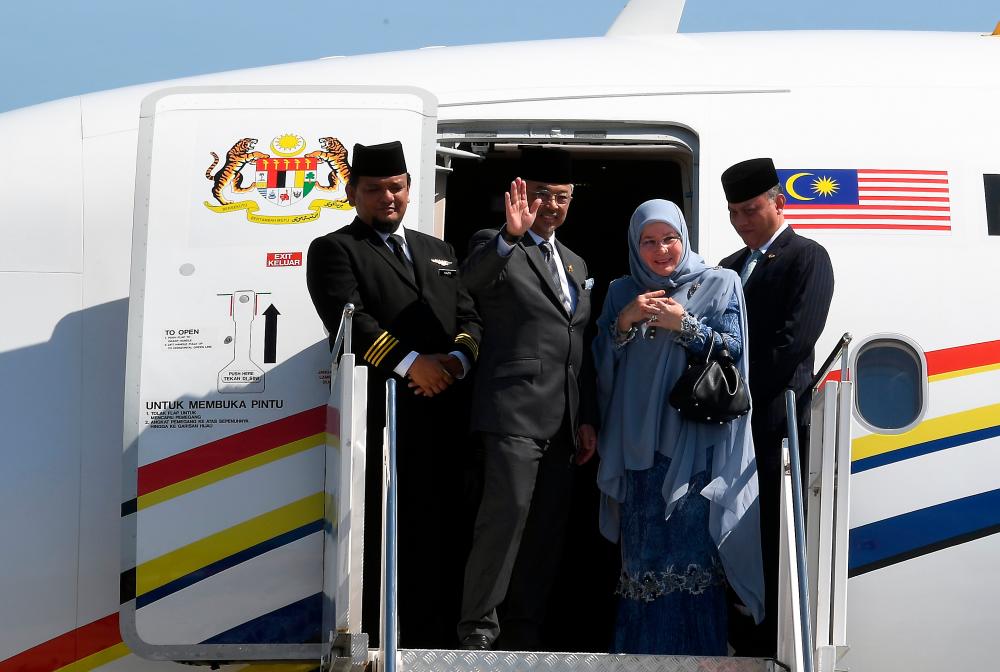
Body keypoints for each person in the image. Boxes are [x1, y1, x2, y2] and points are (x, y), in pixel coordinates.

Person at [306, 141, 483, 649]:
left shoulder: (439, 250)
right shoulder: (335, 249)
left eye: (397, 187)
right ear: (352, 193)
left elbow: (469, 318)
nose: (388, 197)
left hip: (447, 418)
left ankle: (439, 644)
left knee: (446, 535)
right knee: (390, 538)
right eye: (375, 188)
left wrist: (455, 361)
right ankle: (389, 643)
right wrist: (413, 365)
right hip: (384, 419)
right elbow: (351, 318)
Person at [592, 198, 764, 655]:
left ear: (684, 238)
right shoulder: (620, 292)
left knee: (690, 564)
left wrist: (682, 324)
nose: (661, 249)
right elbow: (600, 366)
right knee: (641, 563)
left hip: (692, 446)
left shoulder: (721, 282)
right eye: (649, 241)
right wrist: (625, 321)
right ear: (635, 244)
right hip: (635, 447)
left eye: (669, 238)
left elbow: (734, 350)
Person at [457, 147, 598, 651]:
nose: (553, 205)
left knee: (544, 535)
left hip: (564, 421)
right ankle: (478, 632)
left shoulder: (577, 262)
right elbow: (468, 286)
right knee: (503, 524)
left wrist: (587, 419)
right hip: (512, 412)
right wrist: (509, 236)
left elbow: (579, 346)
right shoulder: (496, 245)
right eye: (542, 195)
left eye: (562, 197)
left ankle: (525, 631)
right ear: (518, 196)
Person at [719, 157, 835, 657]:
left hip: (773, 426)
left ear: (778, 202)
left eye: (752, 209)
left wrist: (735, 391)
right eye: (734, 213)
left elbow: (794, 342)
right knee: (728, 540)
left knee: (769, 542)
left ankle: (769, 651)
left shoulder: (806, 257)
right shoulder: (726, 268)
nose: (744, 221)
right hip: (727, 429)